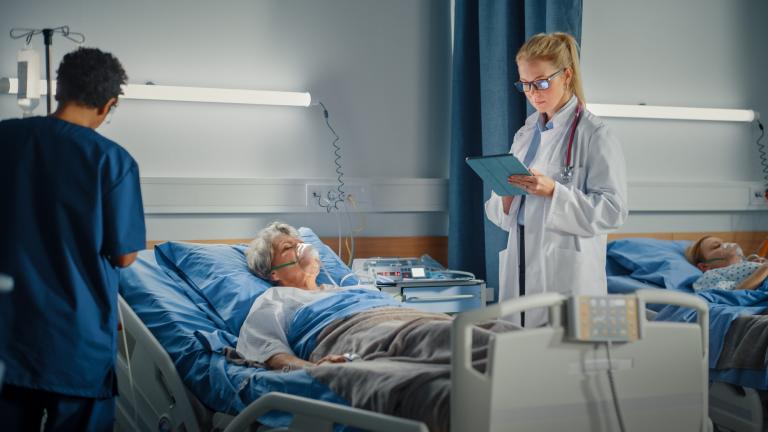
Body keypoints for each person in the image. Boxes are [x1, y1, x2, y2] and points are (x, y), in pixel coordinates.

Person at [236, 222, 516, 431]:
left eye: (300, 243)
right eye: (289, 247)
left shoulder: (349, 287)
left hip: (401, 317)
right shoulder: (274, 299)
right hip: (355, 332)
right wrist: (313, 369)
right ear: (274, 273)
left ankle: (534, 374)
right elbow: (270, 351)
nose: (302, 249)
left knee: (495, 331)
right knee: (444, 339)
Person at [0, 47, 146, 431]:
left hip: (8, 336)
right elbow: (126, 256)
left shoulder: (5, 138)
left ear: (58, 90)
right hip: (74, 343)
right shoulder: (111, 161)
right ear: (109, 104)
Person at [485, 32, 628, 327]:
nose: (533, 92)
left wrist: (554, 192)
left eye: (541, 82)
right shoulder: (525, 134)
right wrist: (507, 197)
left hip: (567, 274)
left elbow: (613, 211)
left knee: (563, 364)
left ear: (566, 75)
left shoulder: (594, 134)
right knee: (520, 356)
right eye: (525, 84)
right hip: (522, 264)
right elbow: (502, 214)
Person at [685, 236, 768, 291]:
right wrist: (763, 269)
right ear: (704, 266)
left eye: (723, 242)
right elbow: (736, 294)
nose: (726, 245)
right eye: (716, 246)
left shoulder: (749, 262)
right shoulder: (710, 276)